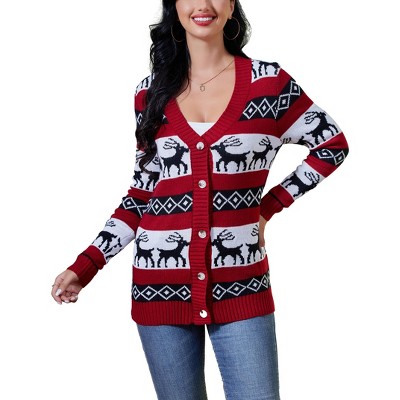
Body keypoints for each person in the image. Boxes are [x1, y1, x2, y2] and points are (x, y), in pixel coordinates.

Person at [51, 1, 349, 399]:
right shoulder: (149, 93)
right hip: (159, 287)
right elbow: (141, 195)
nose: (203, 4)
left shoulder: (270, 84)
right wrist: (86, 265)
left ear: (231, 5)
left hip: (243, 284)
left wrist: (268, 207)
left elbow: (332, 145)